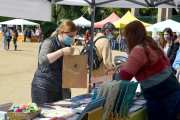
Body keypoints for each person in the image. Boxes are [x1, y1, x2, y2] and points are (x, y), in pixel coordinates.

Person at [90, 21, 180, 120]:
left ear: (131, 36)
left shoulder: (139, 49)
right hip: (173, 91)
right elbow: (144, 63)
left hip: (161, 96)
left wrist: (98, 79)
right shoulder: (151, 44)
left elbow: (123, 77)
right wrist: (120, 66)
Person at [31, 20, 77, 106]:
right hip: (43, 87)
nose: (72, 39)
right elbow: (43, 60)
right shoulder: (49, 42)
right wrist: (62, 51)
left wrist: (78, 68)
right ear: (62, 32)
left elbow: (64, 66)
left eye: (74, 36)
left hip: (58, 88)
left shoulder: (67, 45)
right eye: (70, 36)